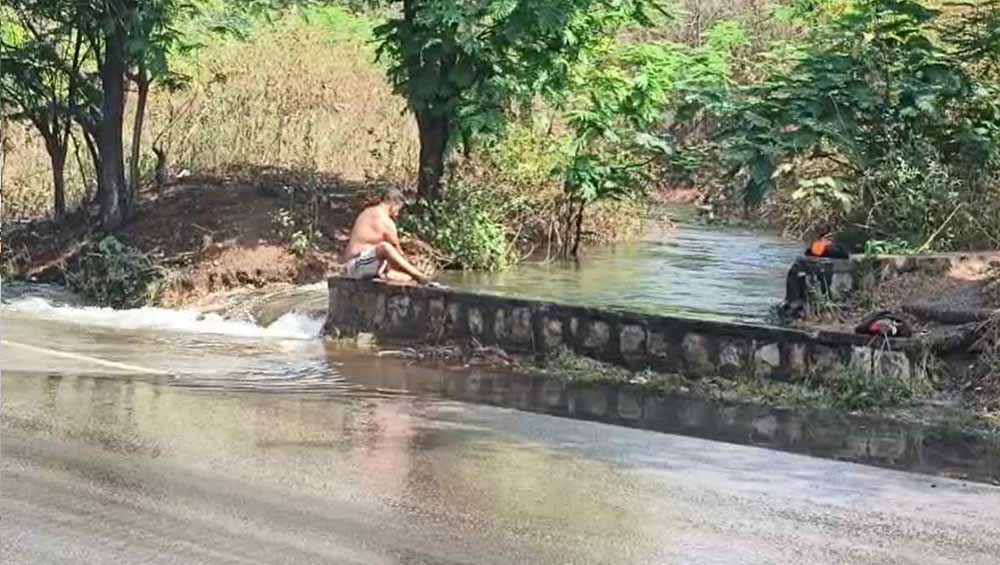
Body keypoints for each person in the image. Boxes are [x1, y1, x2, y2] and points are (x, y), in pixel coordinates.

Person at [341, 189, 432, 284]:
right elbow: (397, 250)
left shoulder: (366, 212)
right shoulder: (386, 221)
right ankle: (420, 277)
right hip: (355, 265)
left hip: (362, 263)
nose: (397, 214)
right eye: (398, 210)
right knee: (385, 247)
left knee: (401, 273)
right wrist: (411, 264)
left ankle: (393, 274)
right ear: (393, 205)